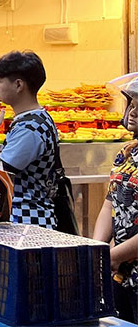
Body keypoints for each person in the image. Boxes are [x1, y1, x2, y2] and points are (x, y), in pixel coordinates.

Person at [0, 51, 58, 227]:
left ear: (18, 85)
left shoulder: (30, 128)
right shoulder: (33, 120)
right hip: (24, 217)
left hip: (28, 221)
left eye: (1, 81)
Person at [92, 77, 138, 322]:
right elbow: (111, 201)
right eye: (132, 104)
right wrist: (98, 247)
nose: (133, 112)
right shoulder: (127, 152)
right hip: (121, 273)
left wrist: (113, 255)